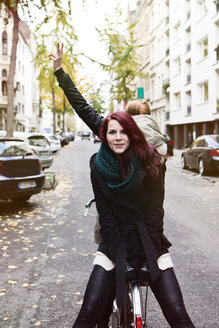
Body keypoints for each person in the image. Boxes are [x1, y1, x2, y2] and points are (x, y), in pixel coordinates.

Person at [49, 44, 196, 328]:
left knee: (178, 314)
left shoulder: (154, 162)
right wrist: (59, 71)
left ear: (133, 134)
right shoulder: (99, 165)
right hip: (114, 241)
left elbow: (155, 214)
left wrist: (149, 250)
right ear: (104, 134)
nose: (117, 137)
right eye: (111, 132)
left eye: (123, 132)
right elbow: (106, 215)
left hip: (149, 241)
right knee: (89, 312)